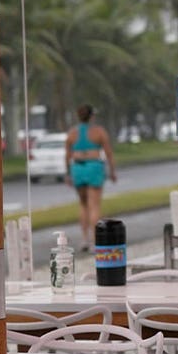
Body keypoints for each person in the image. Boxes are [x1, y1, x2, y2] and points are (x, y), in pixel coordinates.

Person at [65, 103, 116, 251]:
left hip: (78, 168)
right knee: (94, 205)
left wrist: (68, 174)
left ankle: (84, 239)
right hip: (94, 167)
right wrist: (112, 171)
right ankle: (95, 241)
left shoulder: (72, 133)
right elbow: (109, 153)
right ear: (92, 116)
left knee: (83, 204)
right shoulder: (99, 132)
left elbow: (67, 156)